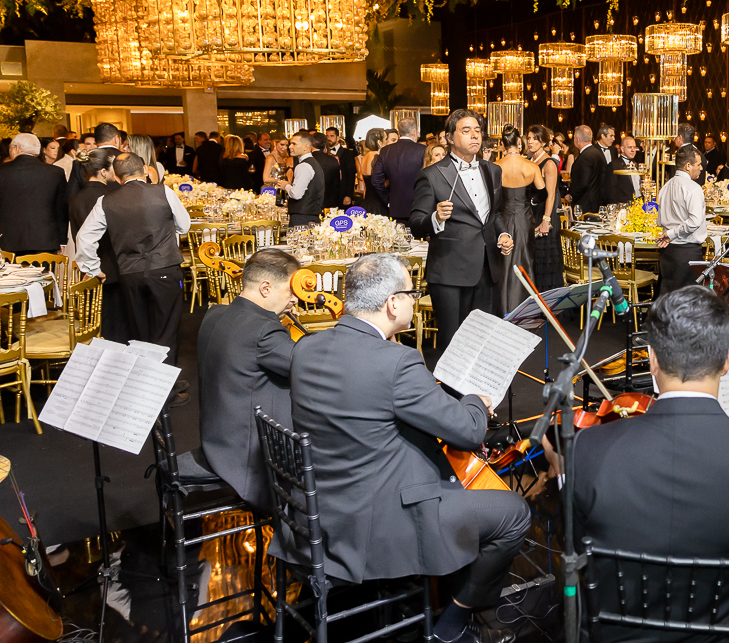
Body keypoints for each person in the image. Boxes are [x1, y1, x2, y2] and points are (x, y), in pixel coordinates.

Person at [284, 254, 529, 643]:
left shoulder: (306, 347)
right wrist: (474, 402)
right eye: (411, 293)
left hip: (315, 508)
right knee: (513, 514)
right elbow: (466, 433)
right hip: (376, 521)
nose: (416, 301)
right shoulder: (397, 361)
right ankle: (455, 620)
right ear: (392, 303)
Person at [571, 286, 729, 643]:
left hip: (619, 632)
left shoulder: (588, 447)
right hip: (721, 631)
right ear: (727, 360)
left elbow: (578, 542)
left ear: (652, 360)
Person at [198, 248, 301, 511]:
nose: (294, 299)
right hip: (247, 455)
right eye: (290, 291)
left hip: (217, 437)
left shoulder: (215, 313)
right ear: (265, 288)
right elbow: (308, 368)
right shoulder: (263, 331)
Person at [409, 110, 514, 347]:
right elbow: (415, 224)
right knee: (454, 343)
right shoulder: (432, 175)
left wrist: (504, 234)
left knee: (485, 340)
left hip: (488, 268)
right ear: (449, 138)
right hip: (450, 272)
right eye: (466, 131)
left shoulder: (493, 170)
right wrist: (436, 217)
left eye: (477, 131)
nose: (474, 136)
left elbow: (495, 214)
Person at [76, 152, 191, 363]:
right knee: (166, 331)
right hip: (165, 268)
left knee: (139, 332)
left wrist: (93, 268)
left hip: (129, 274)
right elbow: (184, 226)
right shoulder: (163, 191)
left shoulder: (106, 201)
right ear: (145, 171)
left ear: (118, 178)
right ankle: (166, 389)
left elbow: (84, 238)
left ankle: (140, 385)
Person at [67, 148, 128, 343]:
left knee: (97, 325)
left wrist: (90, 266)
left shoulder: (76, 198)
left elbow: (78, 233)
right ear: (103, 171)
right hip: (115, 267)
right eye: (112, 167)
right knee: (119, 326)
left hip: (90, 270)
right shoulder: (113, 195)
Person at [494, 125, 544, 314]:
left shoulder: (496, 166)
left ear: (502, 143)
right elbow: (542, 191)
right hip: (524, 218)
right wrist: (529, 200)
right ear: (519, 142)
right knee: (525, 260)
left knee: (504, 263)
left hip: (504, 217)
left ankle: (503, 308)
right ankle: (527, 309)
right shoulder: (531, 166)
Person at [0, 133, 68, 256]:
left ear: (16, 148)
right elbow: (61, 209)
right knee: (44, 275)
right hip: (46, 239)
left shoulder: (2, 171)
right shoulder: (55, 172)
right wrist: (62, 240)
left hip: (9, 241)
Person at [656, 145, 706, 295]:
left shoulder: (665, 187)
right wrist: (671, 234)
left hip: (668, 253)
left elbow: (660, 221)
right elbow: (695, 222)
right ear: (688, 166)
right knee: (688, 304)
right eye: (698, 164)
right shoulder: (693, 188)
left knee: (669, 301)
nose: (701, 168)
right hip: (687, 253)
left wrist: (669, 233)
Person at [526, 125, 563, 293]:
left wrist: (546, 220)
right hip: (532, 215)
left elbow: (551, 195)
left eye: (534, 138)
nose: (530, 141)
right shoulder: (529, 160)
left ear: (543, 142)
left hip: (545, 215)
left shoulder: (548, 163)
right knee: (533, 260)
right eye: (529, 138)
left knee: (545, 259)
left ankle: (547, 308)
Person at [372, 117, 426, 224]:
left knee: (398, 239)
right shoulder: (423, 150)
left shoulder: (385, 150)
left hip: (395, 207)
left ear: (399, 132)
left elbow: (376, 180)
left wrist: (388, 200)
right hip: (419, 207)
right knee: (419, 240)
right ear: (415, 132)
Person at [274, 133, 325, 227]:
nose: (290, 147)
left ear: (305, 146)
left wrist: (286, 186)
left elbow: (296, 194)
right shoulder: (313, 163)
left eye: (294, 144)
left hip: (302, 219)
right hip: (310, 216)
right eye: (290, 144)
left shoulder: (304, 166)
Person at [68, 123, 123, 199]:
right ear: (116, 139)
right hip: (123, 208)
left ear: (96, 141)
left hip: (89, 207)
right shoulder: (133, 159)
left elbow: (71, 195)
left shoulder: (80, 162)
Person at [566, 125, 606, 216]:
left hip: (585, 204)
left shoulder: (585, 157)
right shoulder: (598, 153)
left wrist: (572, 195)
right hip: (597, 201)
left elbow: (584, 182)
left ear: (578, 139)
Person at [603, 134, 641, 205]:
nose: (633, 150)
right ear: (622, 149)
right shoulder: (614, 165)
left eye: (634, 147)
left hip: (638, 205)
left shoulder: (636, 164)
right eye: (630, 147)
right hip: (623, 207)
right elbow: (611, 191)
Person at [310, 135, 345, 210]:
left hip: (311, 202)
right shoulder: (333, 160)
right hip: (330, 201)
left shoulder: (308, 160)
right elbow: (337, 184)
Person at [326, 127, 357, 208]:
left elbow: (351, 175)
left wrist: (348, 195)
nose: (329, 138)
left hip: (342, 193)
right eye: (327, 136)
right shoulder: (323, 154)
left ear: (338, 138)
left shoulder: (347, 154)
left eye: (332, 136)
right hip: (327, 195)